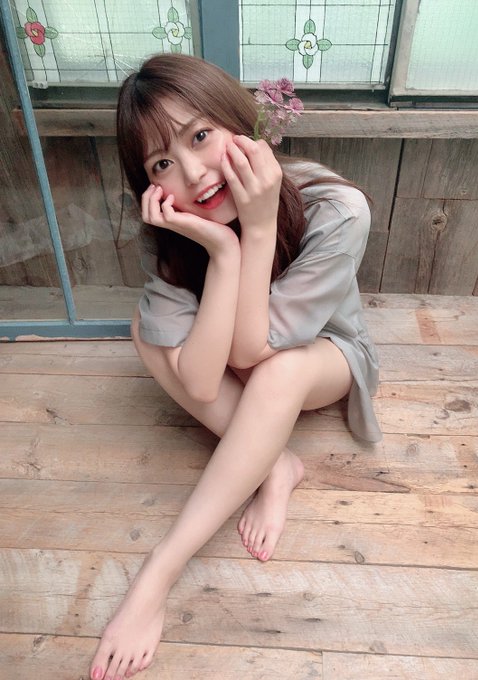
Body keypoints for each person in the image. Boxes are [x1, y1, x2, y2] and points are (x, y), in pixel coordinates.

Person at [89, 53, 381, 680]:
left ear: (239, 121)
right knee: (145, 329)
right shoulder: (179, 227)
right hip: (236, 354)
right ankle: (275, 463)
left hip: (321, 356)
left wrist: (258, 224)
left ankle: (158, 572)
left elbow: (252, 353)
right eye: (161, 164)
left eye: (200, 136)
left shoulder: (338, 208)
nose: (192, 173)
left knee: (277, 371)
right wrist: (221, 251)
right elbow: (199, 382)